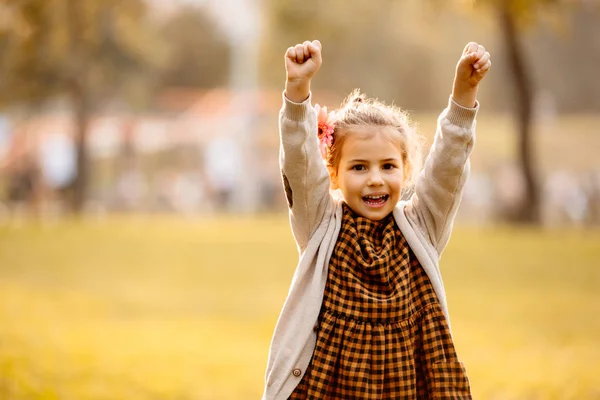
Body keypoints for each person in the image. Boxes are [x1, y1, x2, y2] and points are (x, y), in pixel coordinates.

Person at [263, 39, 491, 399]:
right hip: (330, 386)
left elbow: (448, 169)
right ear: (334, 174)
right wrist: (297, 90)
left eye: (388, 166)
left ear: (406, 171)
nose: (374, 178)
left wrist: (464, 95)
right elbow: (299, 163)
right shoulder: (320, 221)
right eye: (358, 167)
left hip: (407, 384)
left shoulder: (422, 226)